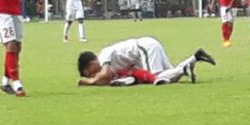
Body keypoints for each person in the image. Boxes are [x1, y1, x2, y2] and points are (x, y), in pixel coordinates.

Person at [77, 37, 216, 86]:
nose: (93, 75)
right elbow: (106, 79)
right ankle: (195, 57)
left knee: (158, 77)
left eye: (89, 73)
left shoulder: (103, 55)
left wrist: (90, 82)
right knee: (170, 77)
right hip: (147, 47)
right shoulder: (105, 61)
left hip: (143, 48)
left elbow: (105, 74)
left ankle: (184, 69)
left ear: (90, 64)